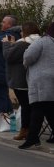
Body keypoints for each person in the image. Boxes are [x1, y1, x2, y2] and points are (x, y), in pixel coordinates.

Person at [18, 21, 54, 149]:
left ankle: (32, 138)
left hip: (40, 79)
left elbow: (28, 56)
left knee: (37, 108)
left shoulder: (42, 41)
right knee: (49, 108)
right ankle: (33, 138)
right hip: (51, 80)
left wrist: (26, 64)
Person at [3, 22, 41, 141]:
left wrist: (7, 44)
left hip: (20, 79)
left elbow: (8, 56)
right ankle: (30, 130)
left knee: (26, 106)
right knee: (33, 106)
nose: (20, 33)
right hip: (34, 79)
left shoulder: (22, 44)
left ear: (25, 32)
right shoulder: (39, 42)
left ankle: (25, 130)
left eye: (22, 31)